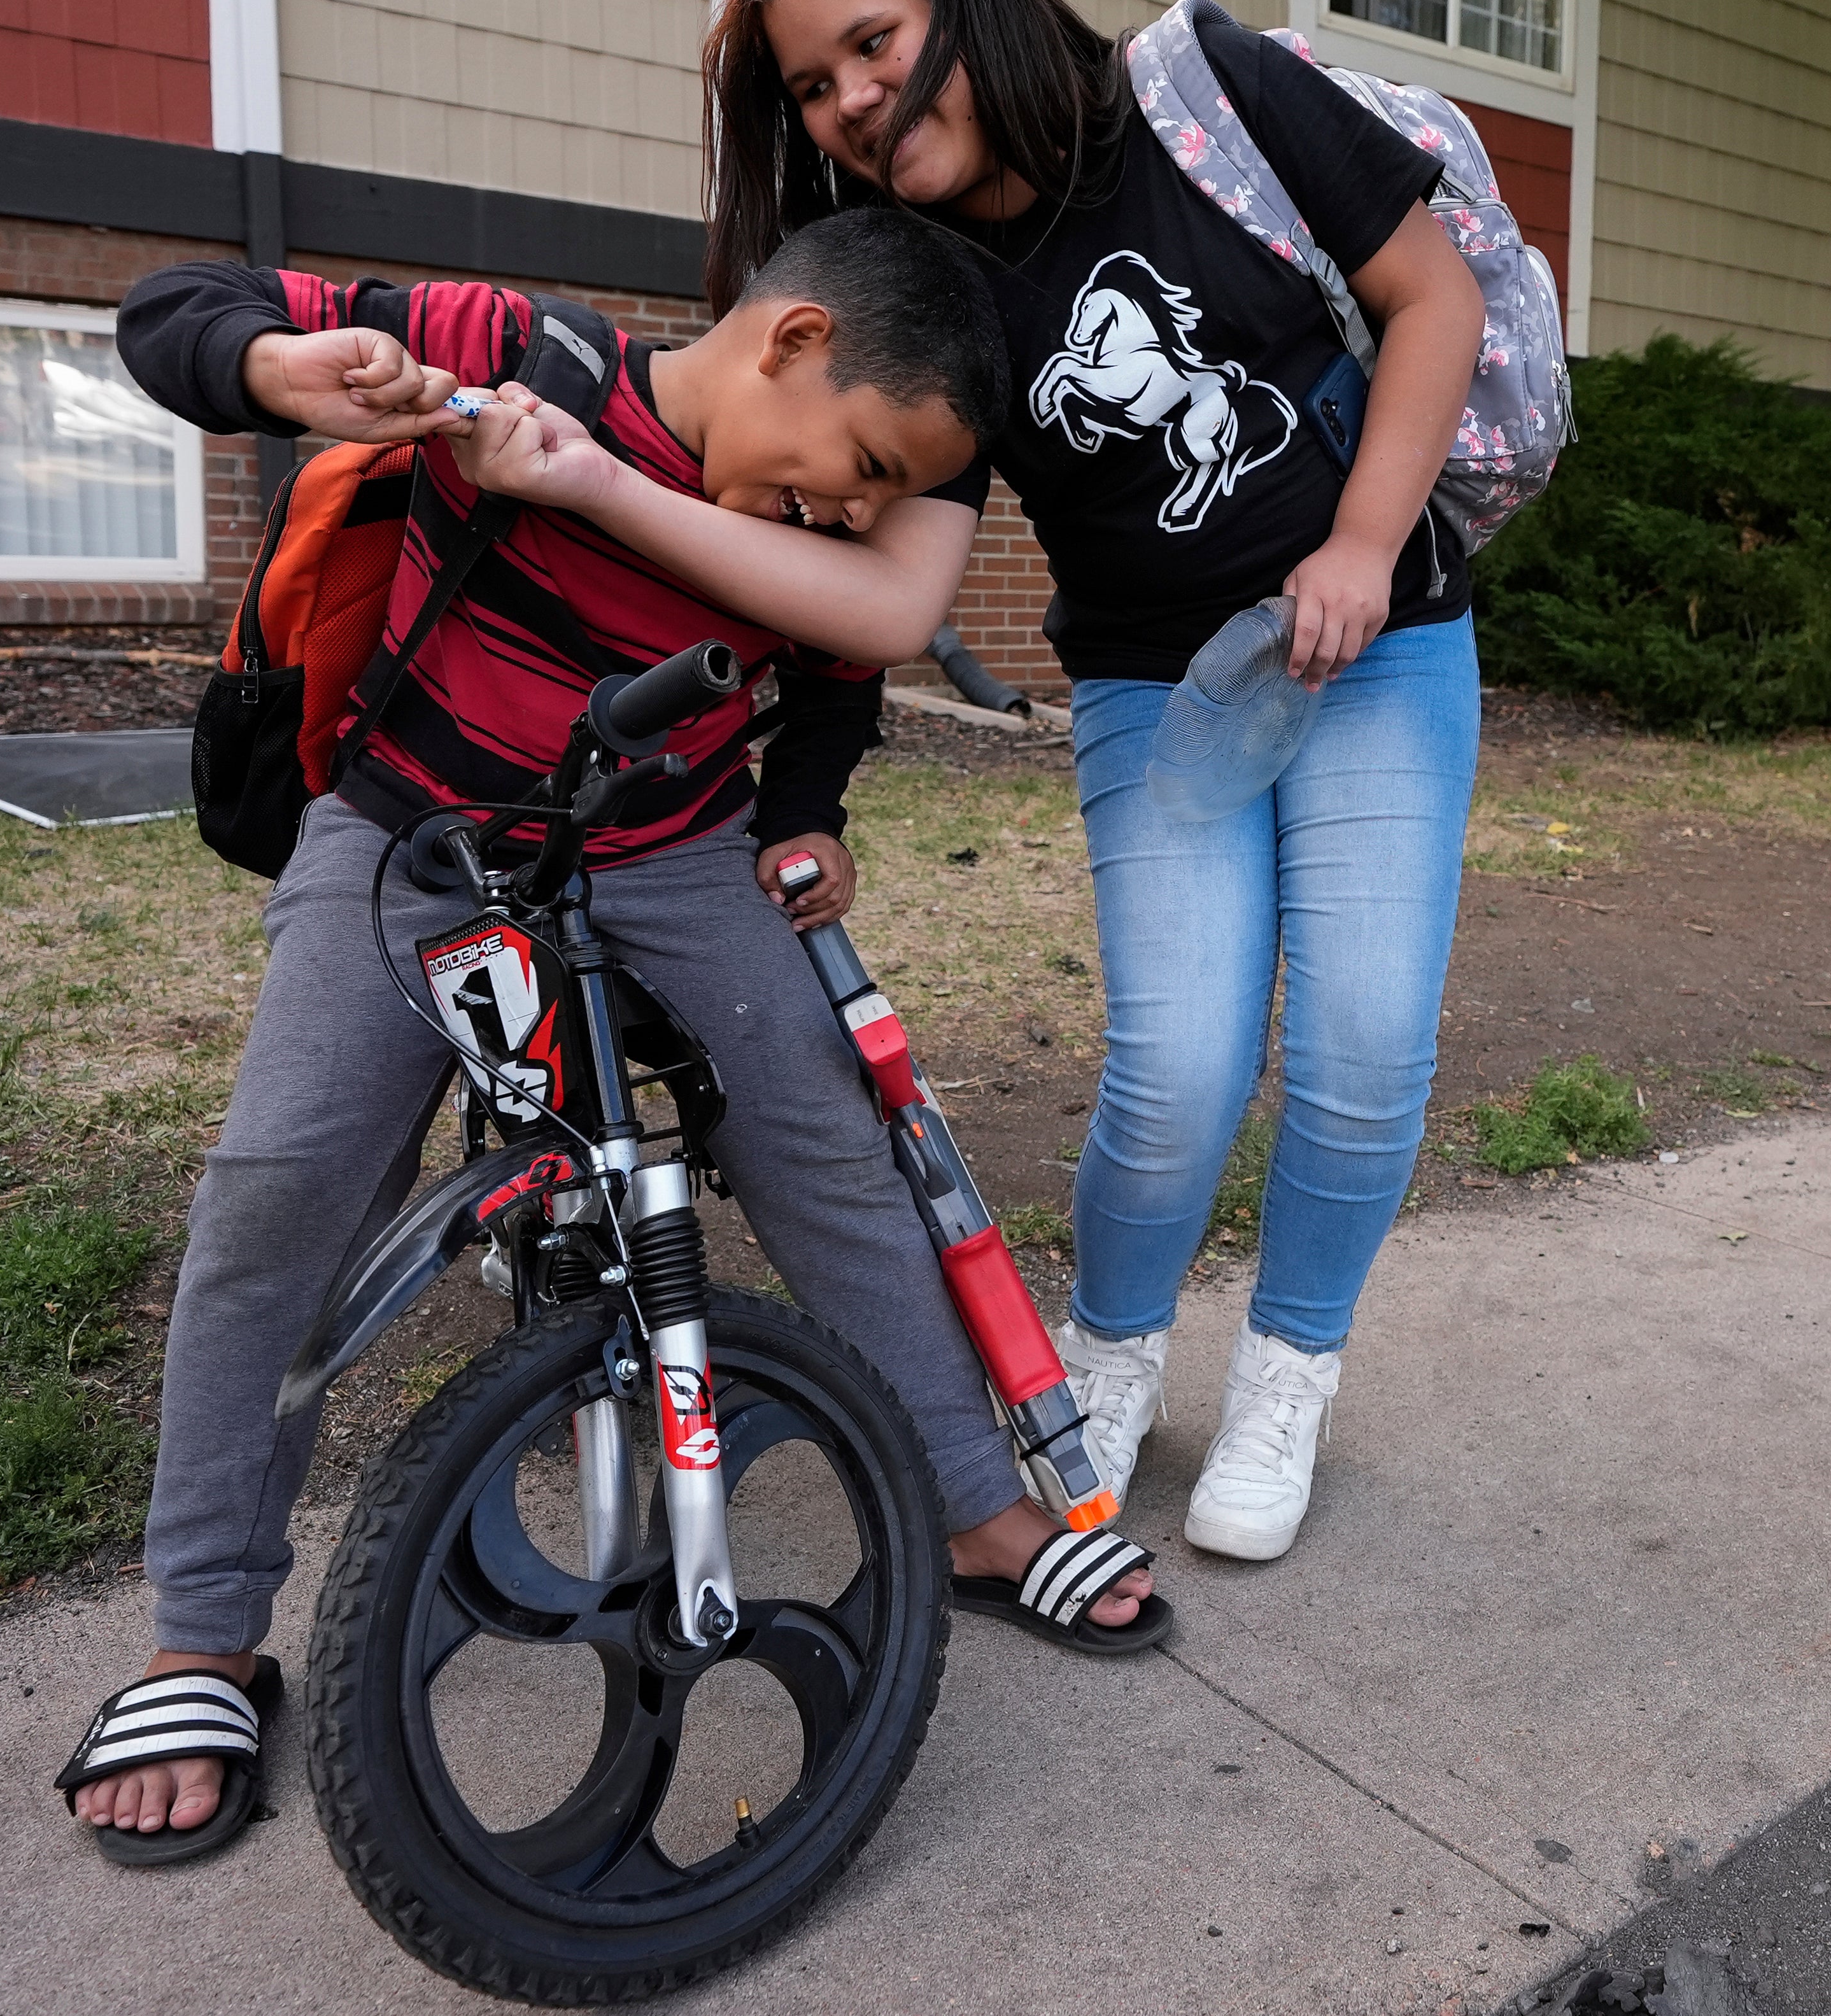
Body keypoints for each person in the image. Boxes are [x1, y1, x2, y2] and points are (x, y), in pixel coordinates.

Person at [58, 209, 1164, 1866]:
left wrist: (801, 806)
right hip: (413, 826)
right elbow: (175, 308)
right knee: (283, 1180)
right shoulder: (518, 348)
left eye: (880, 502)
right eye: (858, 464)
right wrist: (289, 366)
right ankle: (200, 1633)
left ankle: (971, 1500)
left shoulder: (802, 512)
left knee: (826, 1133)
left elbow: (834, 669)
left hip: (672, 845)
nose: (851, 513)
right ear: (788, 342)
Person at [554, 0, 1488, 1566]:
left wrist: (1363, 542)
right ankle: (1115, 1355)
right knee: (1177, 1067)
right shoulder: (923, 285)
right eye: (813, 85)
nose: (848, 101)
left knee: (1361, 1054)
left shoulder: (1206, 93)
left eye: (872, 42)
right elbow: (869, 588)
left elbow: (1434, 298)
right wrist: (802, 789)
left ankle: (1288, 1371)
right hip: (1161, 690)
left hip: (1381, 644)